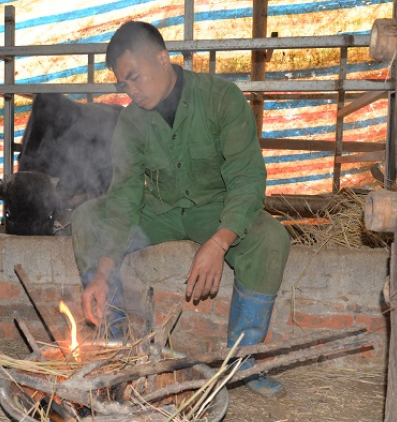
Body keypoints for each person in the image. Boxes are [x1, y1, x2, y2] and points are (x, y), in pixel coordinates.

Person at [71, 21, 290, 397]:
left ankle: (240, 362)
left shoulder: (221, 98)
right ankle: (118, 348)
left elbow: (248, 180)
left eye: (135, 77)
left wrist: (219, 242)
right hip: (159, 211)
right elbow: (124, 197)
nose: (132, 90)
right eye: (123, 84)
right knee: (88, 217)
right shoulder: (131, 121)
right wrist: (104, 271)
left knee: (269, 238)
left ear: (163, 58)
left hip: (215, 211)